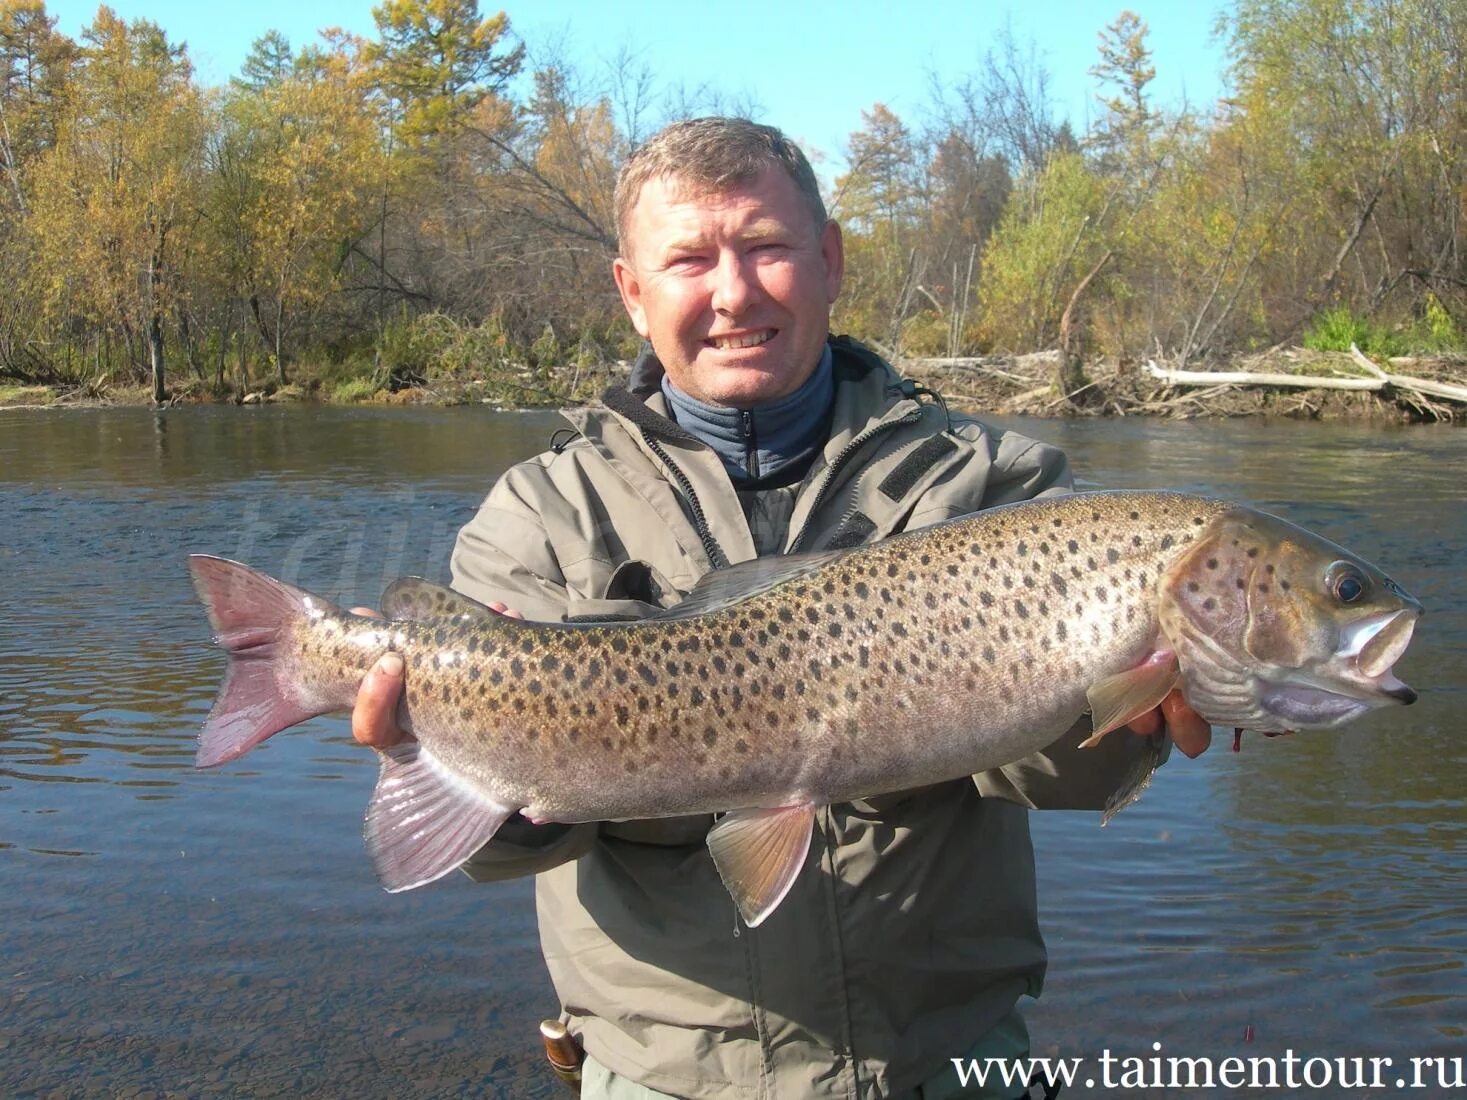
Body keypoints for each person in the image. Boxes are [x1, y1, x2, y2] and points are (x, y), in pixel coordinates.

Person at [353, 117, 1211, 1100]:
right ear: (632, 294)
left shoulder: (988, 484)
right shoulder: (543, 515)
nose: (733, 292)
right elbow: (526, 840)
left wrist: (1130, 718)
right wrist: (444, 760)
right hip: (667, 1077)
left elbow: (1049, 767)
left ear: (831, 259)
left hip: (950, 1065)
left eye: (766, 247)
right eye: (688, 259)